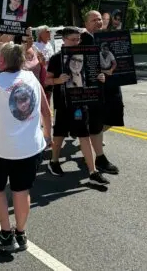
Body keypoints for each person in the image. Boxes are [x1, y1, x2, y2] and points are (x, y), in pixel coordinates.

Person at [0, 43, 51, 252]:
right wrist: (47, 135)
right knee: (21, 190)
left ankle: (6, 234)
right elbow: (46, 109)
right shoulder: (32, 78)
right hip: (29, 147)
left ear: (1, 62)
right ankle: (21, 233)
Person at [45, 27, 110, 185]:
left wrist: (101, 77)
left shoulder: (85, 57)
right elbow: (47, 80)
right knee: (59, 134)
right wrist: (58, 81)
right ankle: (54, 161)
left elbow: (94, 76)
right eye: (73, 39)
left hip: (81, 102)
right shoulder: (56, 58)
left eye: (78, 39)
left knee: (84, 135)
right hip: (63, 102)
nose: (76, 42)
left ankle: (93, 172)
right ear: (64, 39)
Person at [80, 11, 120, 174]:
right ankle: (98, 157)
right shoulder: (83, 40)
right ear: (86, 24)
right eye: (94, 19)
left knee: (110, 117)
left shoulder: (106, 39)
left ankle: (91, 150)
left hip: (108, 86)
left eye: (99, 19)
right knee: (95, 123)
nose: (98, 22)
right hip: (90, 90)